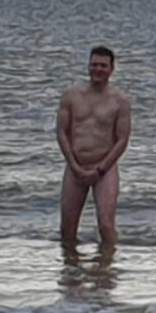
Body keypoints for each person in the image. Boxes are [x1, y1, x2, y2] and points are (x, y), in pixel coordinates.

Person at [56, 46, 132, 247]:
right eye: (94, 65)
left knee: (106, 225)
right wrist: (74, 165)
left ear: (112, 69)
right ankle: (71, 264)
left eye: (103, 66)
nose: (98, 69)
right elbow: (62, 132)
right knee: (67, 227)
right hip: (76, 166)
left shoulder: (120, 101)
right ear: (88, 66)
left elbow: (122, 139)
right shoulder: (71, 95)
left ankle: (106, 264)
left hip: (105, 169)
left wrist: (100, 169)